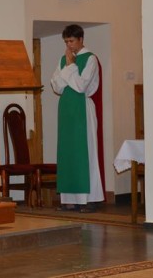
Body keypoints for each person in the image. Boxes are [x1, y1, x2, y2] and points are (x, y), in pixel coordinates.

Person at [50, 24, 104, 213]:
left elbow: (81, 86)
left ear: (81, 39)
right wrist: (67, 70)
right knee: (68, 153)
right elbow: (56, 85)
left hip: (83, 108)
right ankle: (69, 200)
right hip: (66, 109)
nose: (69, 45)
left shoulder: (91, 59)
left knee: (85, 152)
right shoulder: (63, 59)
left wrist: (70, 67)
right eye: (66, 42)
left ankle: (89, 199)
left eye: (71, 41)